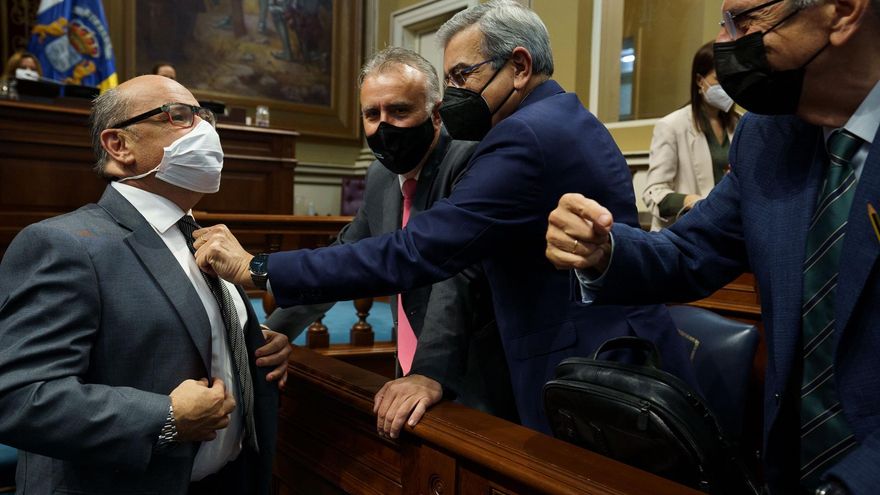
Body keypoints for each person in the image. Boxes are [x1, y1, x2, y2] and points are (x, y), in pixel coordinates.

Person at [193, 0, 697, 434]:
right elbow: (351, 248)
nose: (455, 93)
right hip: (588, 356)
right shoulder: (556, 118)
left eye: (462, 76)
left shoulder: (519, 139)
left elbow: (429, 253)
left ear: (519, 66)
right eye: (372, 114)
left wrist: (260, 268)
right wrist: (269, 331)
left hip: (589, 367)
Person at [545, 0, 880, 493]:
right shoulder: (768, 135)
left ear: (843, 11)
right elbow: (689, 251)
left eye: (745, 21)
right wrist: (605, 252)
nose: (725, 45)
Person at [0, 74, 291, 494]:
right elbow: (18, 396)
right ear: (119, 145)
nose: (205, 131)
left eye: (205, 116)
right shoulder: (63, 244)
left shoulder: (203, 238)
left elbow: (173, 330)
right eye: (179, 116)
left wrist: (248, 344)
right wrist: (166, 417)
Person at [263, 47, 518, 437]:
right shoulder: (381, 177)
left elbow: (457, 276)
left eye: (399, 111)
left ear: (435, 114)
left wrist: (428, 372)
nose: (384, 126)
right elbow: (346, 256)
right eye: (372, 114)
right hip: (408, 368)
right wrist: (279, 329)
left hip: (471, 377)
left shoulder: (470, 159)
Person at [642, 41, 741, 230]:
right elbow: (654, 193)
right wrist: (692, 201)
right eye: (719, 79)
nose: (726, 87)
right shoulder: (672, 126)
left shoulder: (740, 124)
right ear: (699, 80)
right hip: (687, 231)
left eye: (731, 79)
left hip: (728, 229)